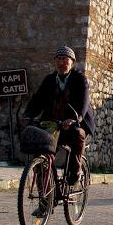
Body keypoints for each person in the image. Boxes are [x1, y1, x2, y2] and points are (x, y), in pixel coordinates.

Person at [23, 45, 95, 185]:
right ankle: (45, 198)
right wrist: (28, 115)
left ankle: (75, 171)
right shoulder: (49, 80)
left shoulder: (79, 79)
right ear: (55, 62)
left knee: (78, 134)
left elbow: (84, 102)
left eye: (65, 59)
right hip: (53, 123)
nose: (62, 63)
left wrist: (75, 119)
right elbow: (38, 100)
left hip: (74, 122)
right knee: (41, 152)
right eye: (59, 59)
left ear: (72, 62)